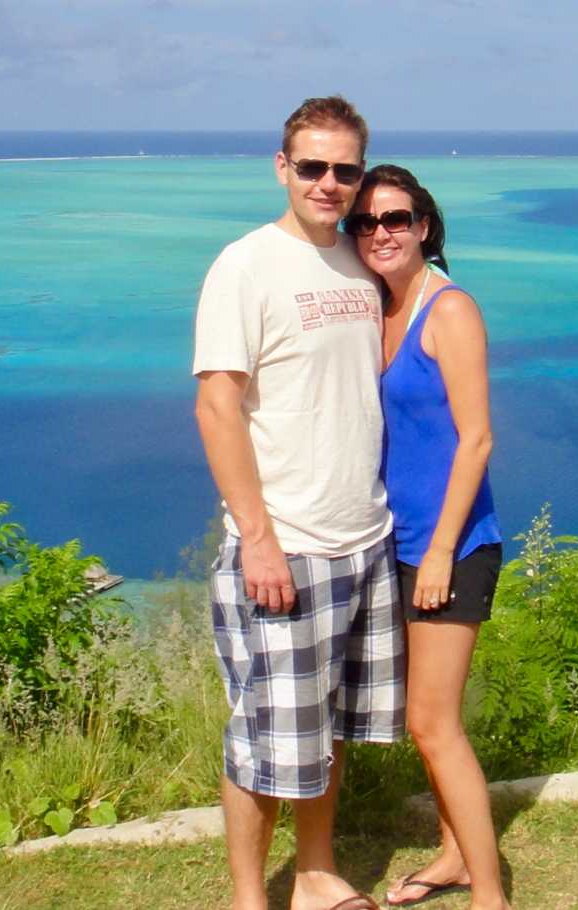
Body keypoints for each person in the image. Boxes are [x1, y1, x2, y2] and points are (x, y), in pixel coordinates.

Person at [193, 98, 405, 910]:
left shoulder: (360, 261)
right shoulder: (245, 265)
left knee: (328, 733)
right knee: (262, 739)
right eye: (312, 166)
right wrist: (258, 539)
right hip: (286, 546)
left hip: (363, 539)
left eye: (344, 169)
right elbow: (218, 405)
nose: (329, 182)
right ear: (281, 167)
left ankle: (316, 874)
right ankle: (251, 898)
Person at [345, 165, 510, 910]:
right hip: (395, 541)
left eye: (398, 218)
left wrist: (441, 549)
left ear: (424, 226)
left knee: (431, 723)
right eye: (368, 221)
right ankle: (452, 855)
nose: (383, 232)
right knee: (427, 721)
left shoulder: (450, 310)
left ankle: (491, 893)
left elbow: (476, 441)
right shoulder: (376, 308)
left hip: (453, 544)